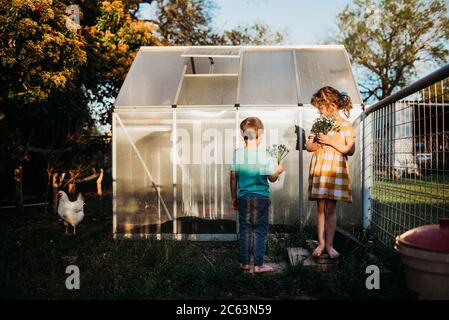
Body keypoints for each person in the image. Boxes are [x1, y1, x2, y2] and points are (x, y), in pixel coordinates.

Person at [230, 117, 285, 273]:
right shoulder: (264, 155)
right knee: (260, 230)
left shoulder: (238, 154)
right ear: (260, 136)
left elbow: (233, 178)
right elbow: (271, 178)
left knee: (246, 230)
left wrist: (234, 197)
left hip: (243, 197)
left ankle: (245, 263)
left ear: (243, 136)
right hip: (261, 198)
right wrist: (278, 171)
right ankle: (259, 265)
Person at [306, 87, 356, 259]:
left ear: (331, 105)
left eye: (320, 107)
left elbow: (350, 150)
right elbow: (309, 147)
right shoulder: (318, 124)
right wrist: (319, 143)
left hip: (335, 171)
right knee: (320, 208)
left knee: (331, 209)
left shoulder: (346, 126)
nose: (319, 111)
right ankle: (320, 243)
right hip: (320, 170)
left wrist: (330, 141)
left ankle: (330, 245)